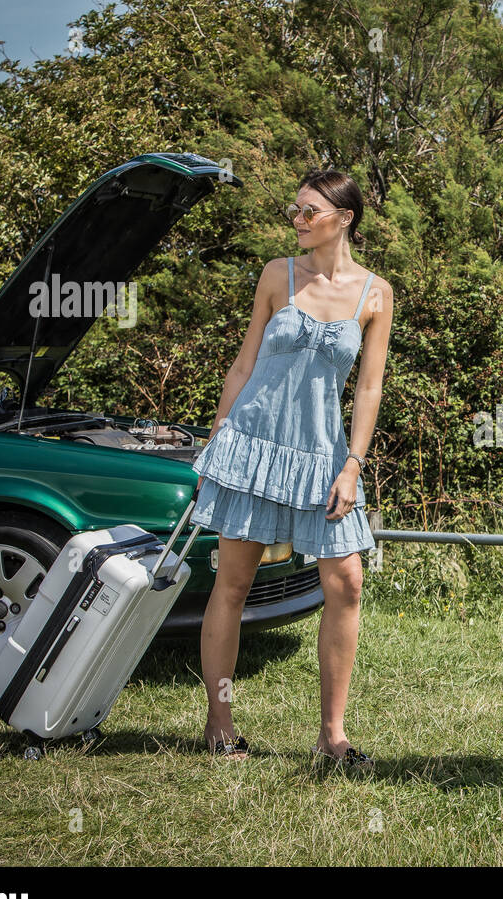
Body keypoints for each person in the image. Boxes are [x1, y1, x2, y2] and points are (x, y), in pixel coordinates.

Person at [190, 169, 394, 764]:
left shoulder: (374, 293)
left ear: (345, 218)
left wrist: (353, 464)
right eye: (295, 211)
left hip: (321, 454)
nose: (299, 221)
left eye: (310, 212)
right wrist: (215, 444)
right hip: (251, 444)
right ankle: (219, 722)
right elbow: (243, 364)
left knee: (346, 581)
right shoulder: (276, 276)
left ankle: (333, 735)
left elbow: (370, 388)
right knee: (233, 582)